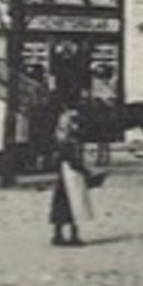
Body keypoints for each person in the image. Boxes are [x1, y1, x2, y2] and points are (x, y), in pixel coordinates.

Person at [48, 106, 103, 247]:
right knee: (74, 204)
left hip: (63, 174)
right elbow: (73, 160)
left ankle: (58, 234)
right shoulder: (70, 141)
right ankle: (72, 236)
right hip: (71, 175)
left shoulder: (61, 138)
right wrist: (87, 172)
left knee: (61, 205)